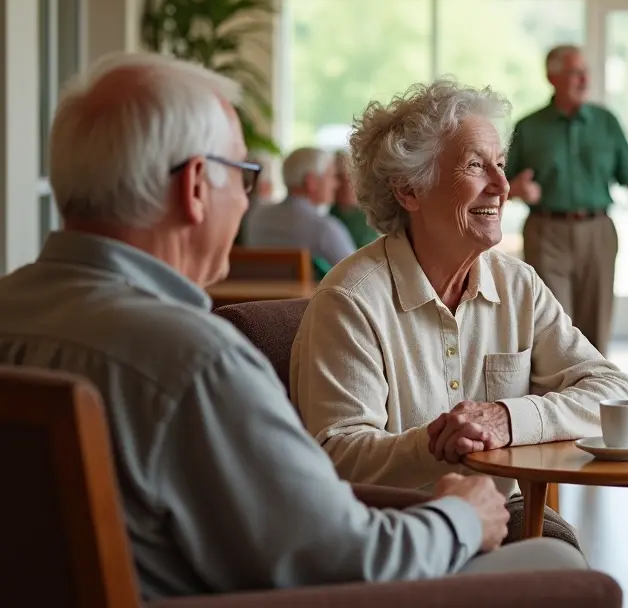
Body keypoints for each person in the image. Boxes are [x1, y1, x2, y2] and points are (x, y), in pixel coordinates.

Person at [0, 53, 586, 601]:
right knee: (557, 569)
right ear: (197, 186)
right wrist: (463, 516)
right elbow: (336, 557)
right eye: (243, 174)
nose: (247, 201)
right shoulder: (195, 361)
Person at [289, 79, 628, 543]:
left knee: (562, 558)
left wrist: (506, 419)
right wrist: (442, 442)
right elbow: (339, 455)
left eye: (501, 165)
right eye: (477, 166)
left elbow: (614, 393)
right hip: (389, 524)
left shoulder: (518, 285)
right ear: (409, 190)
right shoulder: (350, 300)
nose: (502, 186)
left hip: (502, 509)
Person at [506, 44, 628, 357]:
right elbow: (500, 186)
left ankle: (592, 401)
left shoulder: (606, 122)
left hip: (598, 232)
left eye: (586, 72)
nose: (584, 80)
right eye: (575, 73)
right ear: (553, 77)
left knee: (596, 326)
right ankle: (555, 402)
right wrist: (517, 190)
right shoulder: (529, 127)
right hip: (546, 232)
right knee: (552, 325)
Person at [242, 146, 358, 274]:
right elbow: (357, 276)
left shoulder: (256, 218)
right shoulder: (325, 228)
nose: (335, 184)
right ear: (311, 182)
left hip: (255, 293)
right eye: (331, 176)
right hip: (305, 295)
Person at [330, 148, 380, 247]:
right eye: (337, 178)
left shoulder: (372, 215)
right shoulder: (330, 215)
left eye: (348, 178)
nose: (342, 184)